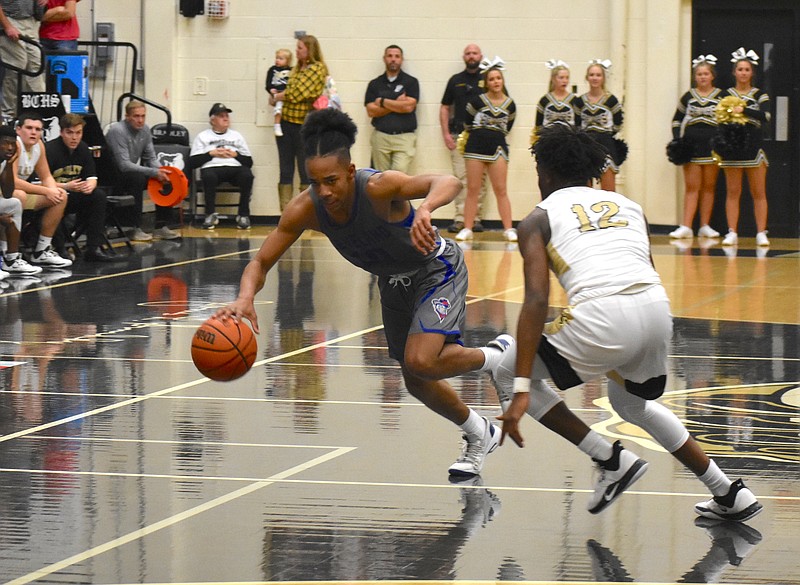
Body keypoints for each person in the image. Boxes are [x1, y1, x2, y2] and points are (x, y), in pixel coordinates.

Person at [215, 108, 516, 478]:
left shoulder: (378, 187)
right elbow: (259, 263)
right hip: (393, 281)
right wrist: (244, 297)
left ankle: (496, 356)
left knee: (421, 361)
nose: (324, 191)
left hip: (436, 267)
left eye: (332, 180)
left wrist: (425, 209)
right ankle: (479, 432)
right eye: (315, 182)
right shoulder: (305, 208)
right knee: (415, 379)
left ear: (351, 172)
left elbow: (448, 180)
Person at [493, 123, 762, 522]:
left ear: (543, 174)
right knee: (632, 403)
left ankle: (608, 458)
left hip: (603, 315)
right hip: (655, 310)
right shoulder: (631, 206)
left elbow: (536, 299)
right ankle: (728, 492)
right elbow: (645, 269)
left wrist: (519, 390)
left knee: (506, 370)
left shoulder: (537, 218)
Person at [456, 58, 517, 243]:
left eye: (498, 78)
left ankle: (508, 229)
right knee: (473, 188)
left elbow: (508, 126)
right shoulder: (476, 101)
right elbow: (467, 123)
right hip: (475, 146)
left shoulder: (510, 104)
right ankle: (467, 228)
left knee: (501, 189)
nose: (496, 82)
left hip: (498, 147)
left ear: (503, 80)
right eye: (492, 79)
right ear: (486, 82)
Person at [46, 113, 118, 262]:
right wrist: (66, 186)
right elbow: (41, 182)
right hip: (54, 194)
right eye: (70, 133)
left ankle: (93, 248)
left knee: (98, 196)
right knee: (58, 196)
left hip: (75, 193)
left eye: (78, 133)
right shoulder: (50, 150)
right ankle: (60, 248)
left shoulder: (83, 148)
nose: (74, 138)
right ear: (61, 132)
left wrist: (90, 186)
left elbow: (92, 176)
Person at [105, 99, 180, 241]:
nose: (140, 120)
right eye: (136, 116)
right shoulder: (117, 130)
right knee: (137, 178)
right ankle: (134, 227)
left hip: (130, 172)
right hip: (112, 175)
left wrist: (161, 172)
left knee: (166, 178)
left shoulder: (145, 130)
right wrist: (153, 172)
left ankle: (161, 226)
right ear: (127, 117)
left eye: (143, 116)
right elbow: (124, 165)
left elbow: (151, 157)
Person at [718, 48, 770, 247]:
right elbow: (719, 119)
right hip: (733, 148)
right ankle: (732, 231)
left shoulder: (760, 95)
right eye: (739, 69)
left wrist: (744, 110)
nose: (743, 73)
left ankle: (761, 232)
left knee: (759, 192)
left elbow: (766, 117)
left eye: (746, 69)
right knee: (733, 192)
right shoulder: (725, 95)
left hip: (754, 147)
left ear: (752, 73)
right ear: (734, 72)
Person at [270, 34, 327, 211]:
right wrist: (279, 96)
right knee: (285, 171)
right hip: (286, 124)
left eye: (300, 48)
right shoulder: (295, 69)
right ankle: (286, 214)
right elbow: (288, 90)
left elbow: (298, 93)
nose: (297, 50)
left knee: (306, 171)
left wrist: (279, 96)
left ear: (310, 50)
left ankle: (308, 212)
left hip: (305, 126)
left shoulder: (318, 69)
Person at [668, 55, 722, 240]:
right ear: (695, 76)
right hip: (691, 147)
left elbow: (727, 121)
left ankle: (705, 226)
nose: (702, 77)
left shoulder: (721, 96)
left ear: (712, 75)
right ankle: (686, 226)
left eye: (706, 73)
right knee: (692, 187)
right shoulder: (689, 96)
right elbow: (677, 119)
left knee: (709, 186)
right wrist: (678, 140)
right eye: (699, 74)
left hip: (712, 146)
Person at [11, 110, 72, 267]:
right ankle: (10, 254)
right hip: (7, 191)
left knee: (61, 196)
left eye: (38, 129)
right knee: (19, 196)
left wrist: (53, 191)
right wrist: (46, 191)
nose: (33, 132)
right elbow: (12, 182)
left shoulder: (39, 146)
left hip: (18, 193)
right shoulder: (14, 145)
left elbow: (46, 177)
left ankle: (41, 250)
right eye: (29, 128)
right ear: (18, 129)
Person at [440, 43, 488, 234]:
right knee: (461, 178)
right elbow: (445, 107)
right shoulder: (455, 80)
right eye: (468, 53)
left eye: (474, 53)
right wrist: (445, 134)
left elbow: (502, 104)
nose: (471, 56)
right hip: (459, 136)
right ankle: (461, 219)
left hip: (483, 138)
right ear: (463, 57)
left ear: (481, 56)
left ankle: (475, 219)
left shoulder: (489, 78)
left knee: (480, 181)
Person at [190, 102, 255, 230]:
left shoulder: (236, 136)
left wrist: (235, 154)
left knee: (247, 175)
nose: (226, 118)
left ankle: (243, 215)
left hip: (234, 167)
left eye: (227, 116)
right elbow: (193, 162)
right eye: (221, 116)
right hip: (212, 167)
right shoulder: (203, 136)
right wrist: (211, 154)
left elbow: (249, 162)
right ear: (212, 120)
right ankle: (210, 215)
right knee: (208, 176)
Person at [364, 44, 420, 173]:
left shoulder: (411, 82)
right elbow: (371, 111)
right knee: (380, 178)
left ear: (402, 59)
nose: (393, 59)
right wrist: (397, 103)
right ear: (384, 59)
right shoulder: (375, 84)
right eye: (390, 56)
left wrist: (382, 102)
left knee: (398, 175)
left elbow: (408, 107)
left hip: (404, 137)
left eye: (397, 56)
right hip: (381, 136)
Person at [0, 123, 41, 277]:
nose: (10, 148)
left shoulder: (4, 161)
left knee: (14, 204)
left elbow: (8, 193)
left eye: (12, 144)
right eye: (5, 143)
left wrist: (10, 166)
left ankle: (11, 260)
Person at [579, 59, 626, 192]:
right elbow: (577, 124)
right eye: (592, 75)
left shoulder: (611, 100)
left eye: (598, 75)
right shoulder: (580, 101)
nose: (595, 78)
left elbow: (618, 124)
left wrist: (604, 135)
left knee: (608, 193)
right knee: (584, 192)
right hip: (585, 146)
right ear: (587, 77)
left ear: (604, 78)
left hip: (606, 146)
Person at [0, 0, 47, 119]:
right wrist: (7, 26)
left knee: (37, 65)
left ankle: (38, 110)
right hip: (10, 18)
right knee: (17, 65)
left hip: (31, 20)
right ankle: (8, 112)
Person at [532, 60, 583, 143]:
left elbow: (578, 125)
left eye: (567, 78)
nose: (565, 81)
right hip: (548, 142)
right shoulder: (544, 100)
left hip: (569, 143)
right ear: (553, 79)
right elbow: (538, 125)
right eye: (561, 77)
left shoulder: (574, 100)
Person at [265, 48, 292, 137]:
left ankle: (279, 124)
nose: (277, 60)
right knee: (278, 108)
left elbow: (293, 84)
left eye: (281, 59)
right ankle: (277, 125)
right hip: (276, 92)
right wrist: (270, 90)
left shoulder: (291, 70)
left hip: (286, 93)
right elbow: (268, 82)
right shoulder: (272, 69)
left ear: (288, 61)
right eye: (277, 58)